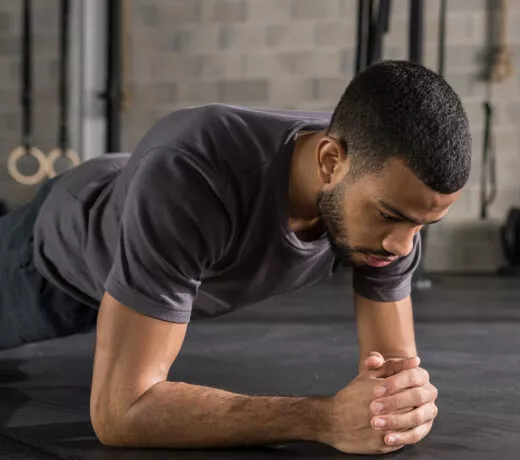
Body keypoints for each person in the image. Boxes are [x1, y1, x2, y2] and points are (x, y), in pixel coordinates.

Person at [0, 60, 472, 455]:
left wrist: (403, 406)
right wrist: (322, 418)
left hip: (149, 211)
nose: (404, 246)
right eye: (392, 216)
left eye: (422, 225)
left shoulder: (385, 195)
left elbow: (393, 378)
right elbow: (121, 412)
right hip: (52, 263)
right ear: (330, 162)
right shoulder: (193, 177)